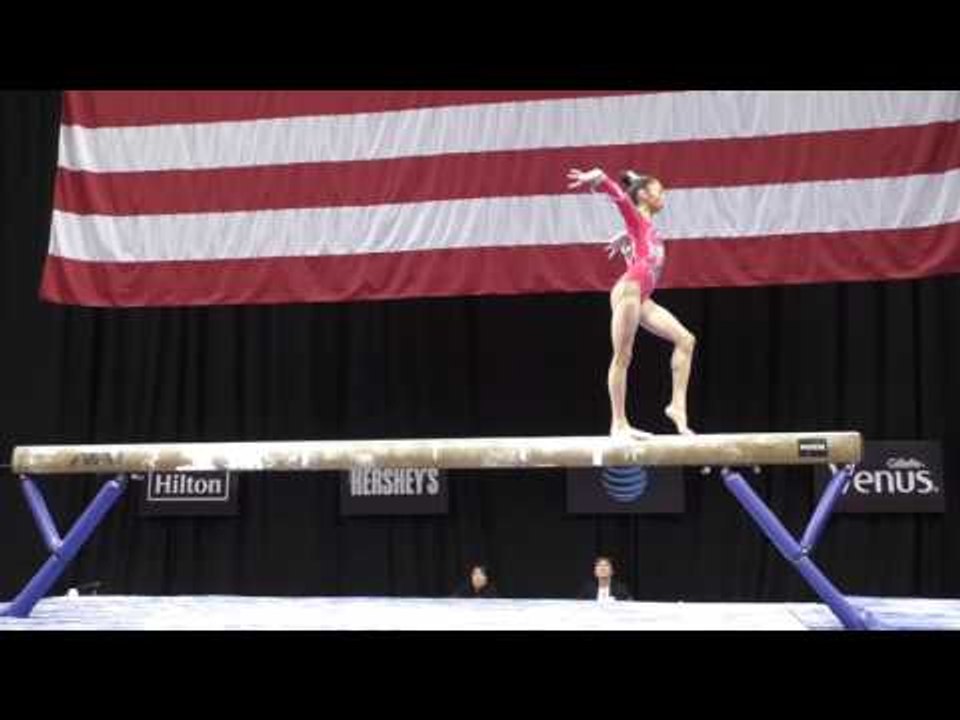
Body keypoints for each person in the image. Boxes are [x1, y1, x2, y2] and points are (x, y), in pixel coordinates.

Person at [567, 167, 696, 438]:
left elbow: (639, 237)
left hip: (642, 295)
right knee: (623, 355)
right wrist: (602, 179)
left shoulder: (645, 227)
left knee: (686, 340)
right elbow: (623, 201)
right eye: (659, 192)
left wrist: (628, 237)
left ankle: (677, 406)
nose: (664, 196)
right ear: (645, 196)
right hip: (630, 290)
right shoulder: (637, 218)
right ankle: (619, 423)